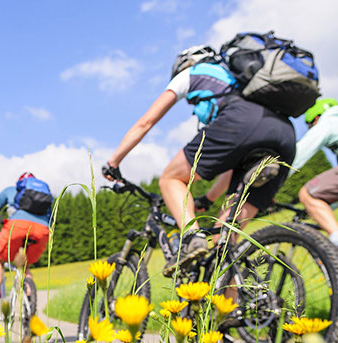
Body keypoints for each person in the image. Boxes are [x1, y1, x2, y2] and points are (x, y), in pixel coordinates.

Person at [102, 44, 296, 275]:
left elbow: (146, 122)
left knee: (170, 179)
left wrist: (114, 161)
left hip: (240, 124)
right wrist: (207, 199)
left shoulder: (193, 72)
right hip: (284, 135)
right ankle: (232, 310)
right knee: (226, 243)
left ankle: (193, 237)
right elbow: (229, 166)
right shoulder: (239, 83)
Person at [0, 172, 52, 319]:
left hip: (17, 228)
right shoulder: (44, 196)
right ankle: (30, 306)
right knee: (25, 267)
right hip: (41, 232)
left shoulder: (11, 191)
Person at [292, 98, 338, 246]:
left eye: (311, 126)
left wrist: (270, 185)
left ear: (316, 118)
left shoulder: (328, 120)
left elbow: (297, 156)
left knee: (308, 194)